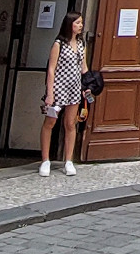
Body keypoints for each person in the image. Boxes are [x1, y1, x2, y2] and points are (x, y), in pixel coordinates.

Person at [38, 11, 88, 177]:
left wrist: (88, 84)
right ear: (70, 24)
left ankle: (68, 160)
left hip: (74, 87)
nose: (80, 26)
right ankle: (45, 160)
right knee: (50, 122)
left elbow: (83, 67)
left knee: (70, 123)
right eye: (77, 23)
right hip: (59, 86)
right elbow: (51, 69)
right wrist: (49, 93)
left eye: (81, 23)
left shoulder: (81, 43)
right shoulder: (59, 44)